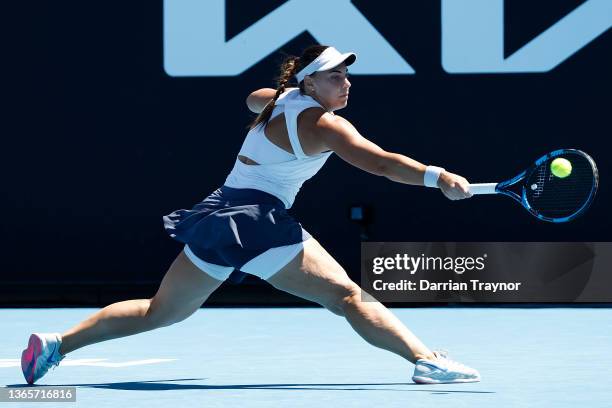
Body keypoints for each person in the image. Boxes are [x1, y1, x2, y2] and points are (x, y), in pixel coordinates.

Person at [21, 45, 479, 385]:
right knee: (346, 297)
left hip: (220, 213)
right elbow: (379, 161)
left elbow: (252, 99)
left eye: (345, 74)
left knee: (161, 312)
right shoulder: (323, 124)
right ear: (310, 84)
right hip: (257, 222)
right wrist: (437, 177)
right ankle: (426, 360)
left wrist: (280, 96)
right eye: (334, 76)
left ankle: (58, 345)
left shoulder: (279, 101)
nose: (345, 82)